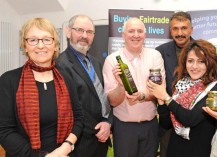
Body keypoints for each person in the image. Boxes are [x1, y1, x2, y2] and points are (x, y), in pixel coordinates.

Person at [0, 17, 83, 157]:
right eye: (33, 40)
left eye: (46, 39)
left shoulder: (67, 79)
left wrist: (65, 148)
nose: (40, 46)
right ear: (25, 46)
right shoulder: (8, 80)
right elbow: (4, 131)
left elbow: (79, 118)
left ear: (55, 45)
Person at [147, 39, 217, 157]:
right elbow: (166, 123)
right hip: (175, 147)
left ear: (210, 63)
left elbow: (190, 119)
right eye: (190, 61)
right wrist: (160, 100)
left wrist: (166, 97)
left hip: (198, 150)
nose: (194, 66)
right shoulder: (181, 84)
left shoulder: (214, 88)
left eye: (201, 62)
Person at [102, 17, 165, 157]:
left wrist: (142, 96)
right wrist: (120, 85)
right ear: (123, 35)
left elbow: (160, 91)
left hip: (150, 126)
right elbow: (112, 101)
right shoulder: (112, 60)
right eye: (131, 31)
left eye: (140, 31)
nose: (136, 35)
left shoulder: (155, 56)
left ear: (145, 35)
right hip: (124, 129)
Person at [56, 14, 112, 157]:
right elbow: (68, 108)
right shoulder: (61, 65)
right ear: (68, 32)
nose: (84, 36)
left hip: (101, 138)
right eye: (80, 30)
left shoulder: (95, 62)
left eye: (89, 32)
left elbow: (101, 97)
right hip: (81, 142)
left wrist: (108, 122)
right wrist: (97, 130)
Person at [155, 11, 194, 157]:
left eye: (184, 28)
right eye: (175, 29)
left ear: (191, 29)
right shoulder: (160, 52)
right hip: (167, 123)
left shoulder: (203, 51)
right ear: (170, 31)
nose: (180, 33)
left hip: (194, 120)